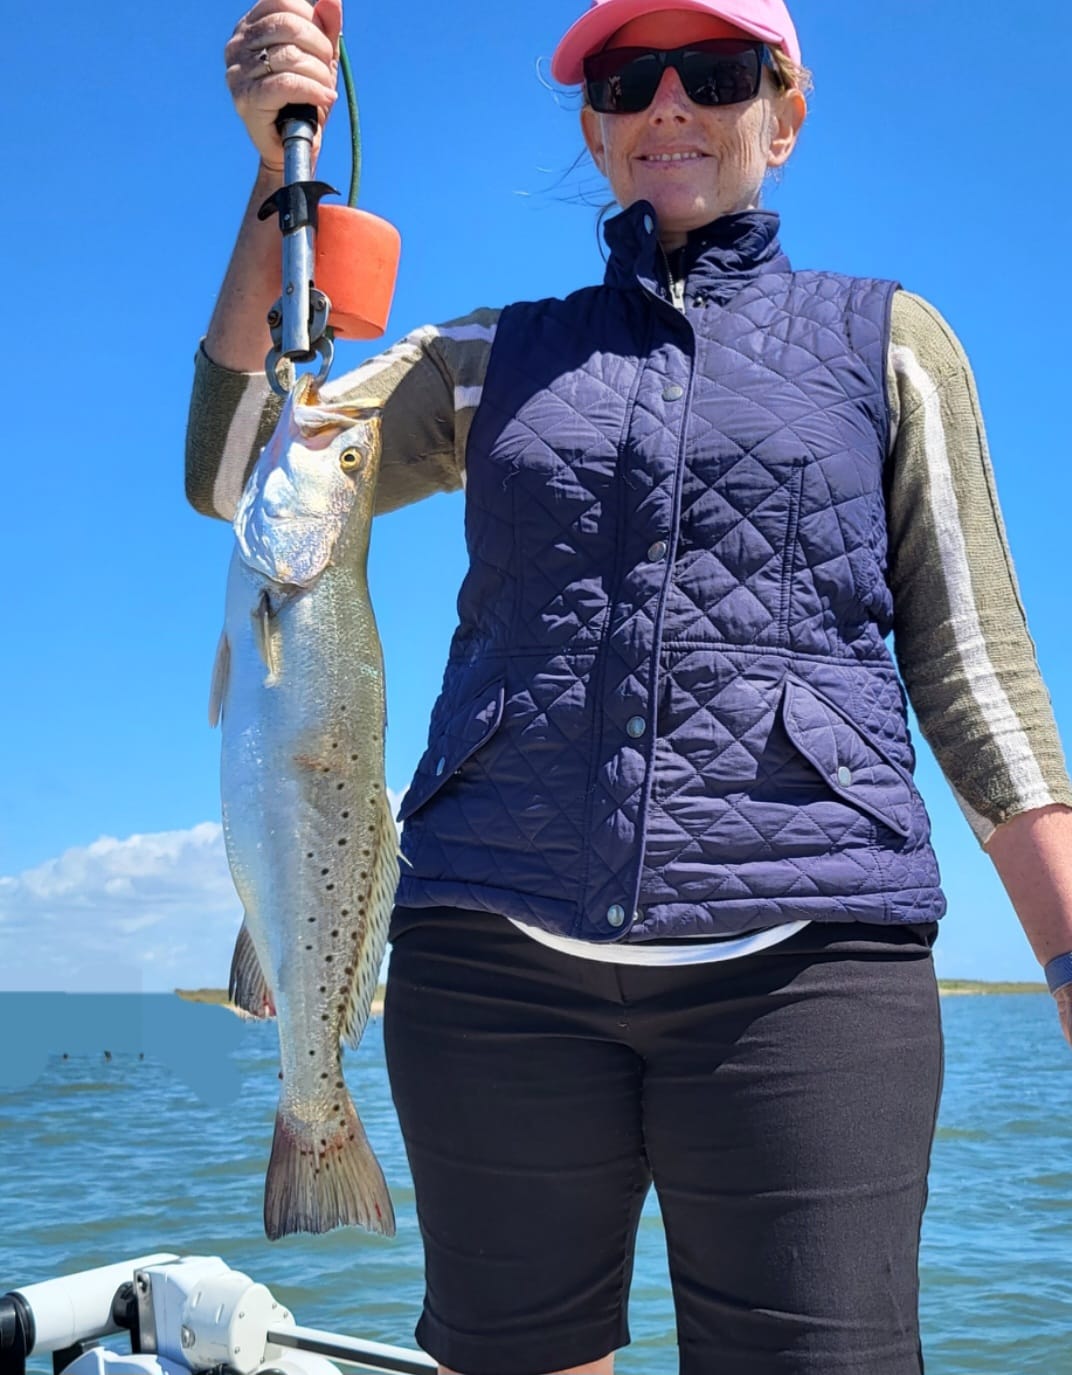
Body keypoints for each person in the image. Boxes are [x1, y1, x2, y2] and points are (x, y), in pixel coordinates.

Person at [186, 1, 1072, 1371]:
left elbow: (977, 673)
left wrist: (1065, 955)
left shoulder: (893, 343)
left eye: (715, 72)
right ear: (596, 129)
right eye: (625, 78)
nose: (669, 104)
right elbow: (243, 464)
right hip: (491, 967)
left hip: (810, 966)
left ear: (785, 110)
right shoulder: (488, 360)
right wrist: (273, 178)